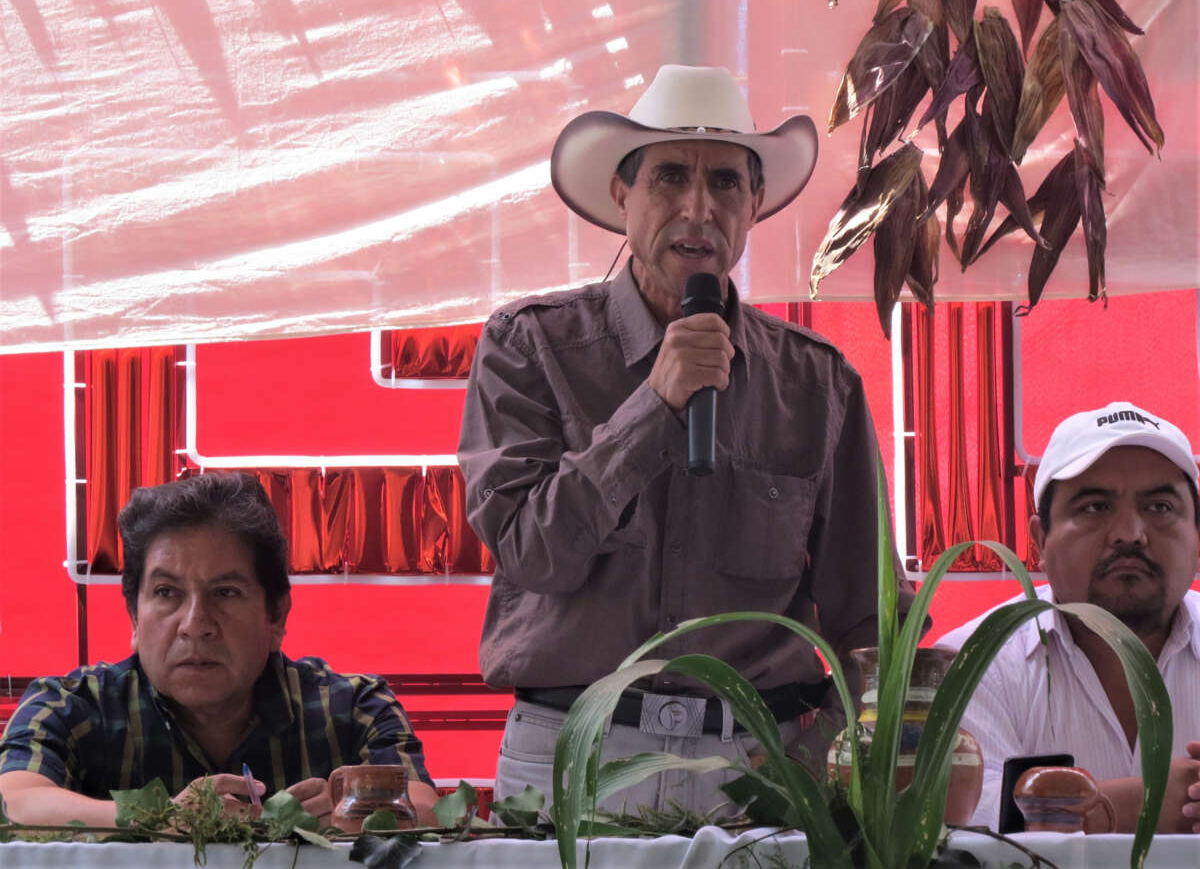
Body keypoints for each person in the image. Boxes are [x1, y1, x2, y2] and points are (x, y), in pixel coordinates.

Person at [458, 64, 913, 813]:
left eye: (727, 184)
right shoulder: (530, 346)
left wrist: (822, 749)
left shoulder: (815, 382)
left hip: (757, 764)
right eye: (670, 177)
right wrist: (654, 405)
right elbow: (529, 548)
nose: (699, 209)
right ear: (621, 196)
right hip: (571, 754)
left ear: (756, 203)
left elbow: (870, 616)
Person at [0, 472, 439, 827]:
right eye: (168, 592)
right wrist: (159, 817)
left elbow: (426, 807)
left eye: (226, 593)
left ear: (277, 616)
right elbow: (15, 800)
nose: (195, 625)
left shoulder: (355, 707)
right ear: (134, 616)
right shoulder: (68, 705)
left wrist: (348, 812)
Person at [937, 401, 1200, 833]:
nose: (1130, 533)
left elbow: (1013, 822)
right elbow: (968, 830)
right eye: (1095, 507)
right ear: (1040, 540)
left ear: (1196, 536)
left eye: (1160, 507)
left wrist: (1077, 812)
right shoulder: (971, 665)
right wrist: (1149, 802)